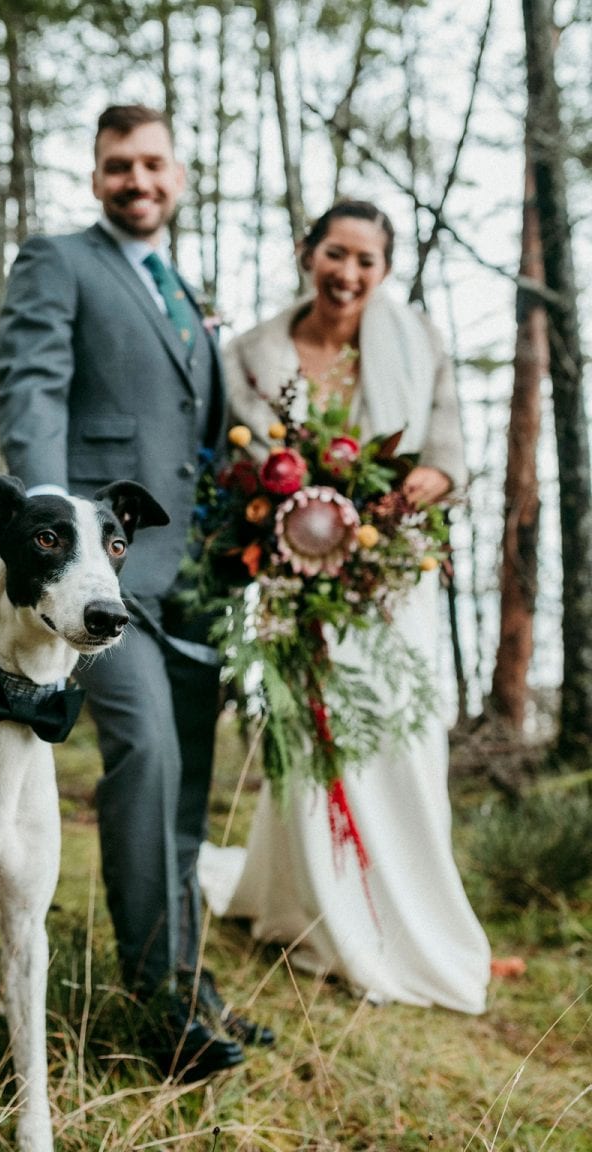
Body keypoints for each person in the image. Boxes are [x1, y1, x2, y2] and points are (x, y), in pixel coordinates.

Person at [0, 104, 273, 1080]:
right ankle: (158, 1010)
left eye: (154, 162)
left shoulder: (184, 296)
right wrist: (56, 543)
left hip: (194, 579)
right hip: (102, 585)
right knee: (147, 756)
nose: (138, 180)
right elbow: (32, 392)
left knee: (191, 778)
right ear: (96, 174)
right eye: (120, 165)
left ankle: (194, 982)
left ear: (179, 173)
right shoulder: (58, 261)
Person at [198, 199, 492, 1014]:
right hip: (298, 587)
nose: (349, 274)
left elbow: (448, 451)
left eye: (367, 261)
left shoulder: (416, 338)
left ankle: (405, 912)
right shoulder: (251, 354)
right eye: (336, 253)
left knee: (400, 742)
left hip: (393, 581)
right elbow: (238, 465)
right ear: (307, 251)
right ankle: (316, 905)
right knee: (311, 742)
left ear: (385, 270)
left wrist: (427, 480)